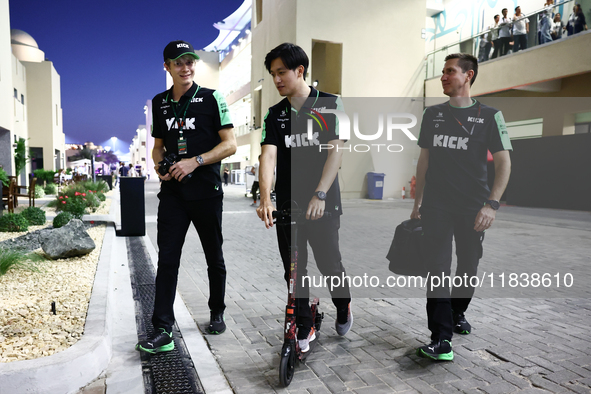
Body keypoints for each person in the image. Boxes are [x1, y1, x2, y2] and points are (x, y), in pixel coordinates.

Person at [135, 40, 236, 354]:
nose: (186, 67)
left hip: (207, 191)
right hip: (174, 195)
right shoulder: (159, 102)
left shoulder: (211, 98)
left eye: (190, 61)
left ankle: (217, 310)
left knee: (213, 257)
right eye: (178, 62)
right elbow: (157, 146)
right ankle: (162, 328)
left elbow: (230, 144)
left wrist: (197, 160)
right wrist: (159, 167)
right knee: (167, 261)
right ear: (167, 67)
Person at [411, 53, 512, 361]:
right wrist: (417, 203)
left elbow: (505, 163)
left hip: (473, 208)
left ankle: (457, 311)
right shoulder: (433, 115)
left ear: (468, 76)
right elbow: (424, 160)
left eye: (450, 71)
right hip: (437, 207)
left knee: (468, 267)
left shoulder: (490, 115)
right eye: (442, 71)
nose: (443, 76)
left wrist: (491, 205)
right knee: (437, 271)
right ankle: (441, 338)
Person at [256, 43, 352, 353]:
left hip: (323, 202)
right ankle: (305, 324)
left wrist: (320, 193)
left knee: (330, 264)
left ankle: (342, 303)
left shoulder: (331, 105)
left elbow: (335, 153)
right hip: (289, 206)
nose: (277, 80)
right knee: (294, 269)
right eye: (273, 74)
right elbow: (268, 158)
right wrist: (266, 198)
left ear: (300, 70)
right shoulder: (275, 115)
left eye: (281, 72)